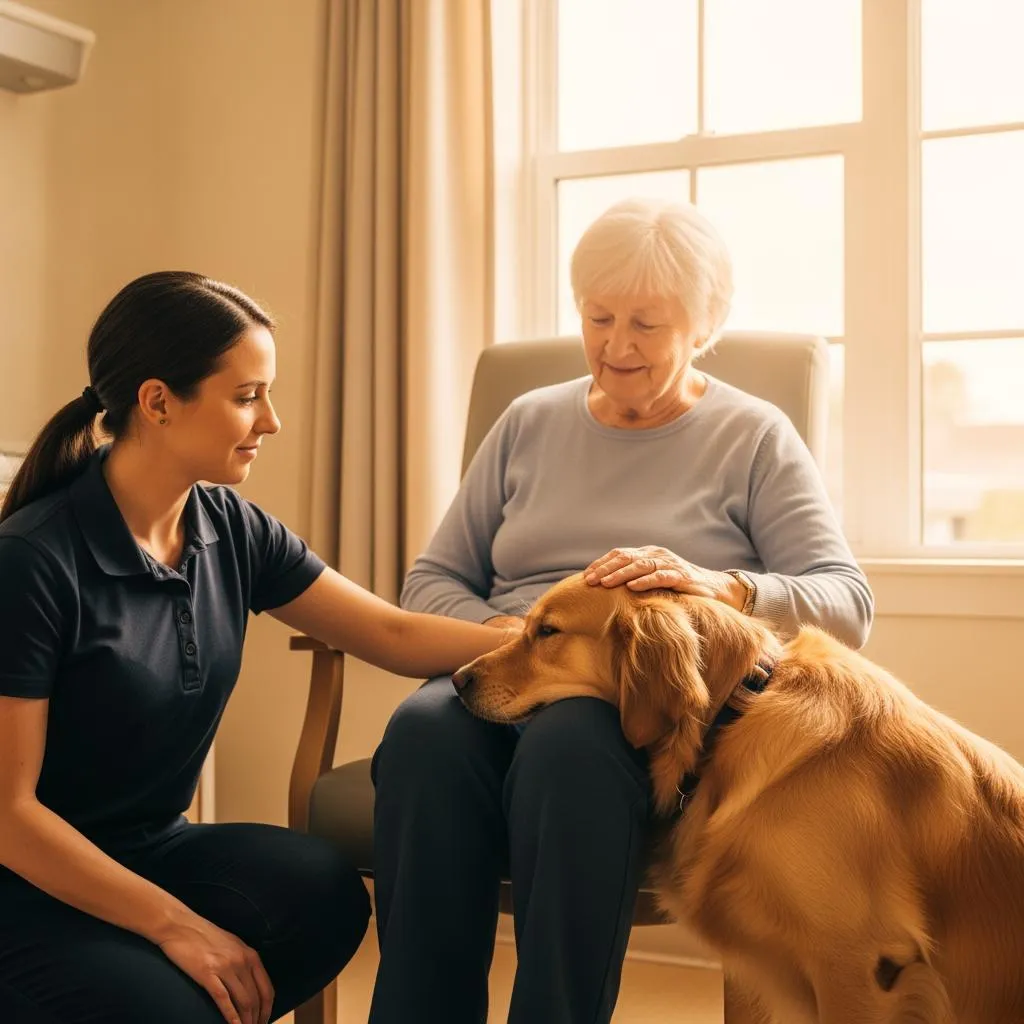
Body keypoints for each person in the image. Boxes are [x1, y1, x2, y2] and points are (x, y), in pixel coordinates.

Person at [369, 197, 875, 1023]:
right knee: (422, 733)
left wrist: (725, 585)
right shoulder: (528, 422)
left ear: (705, 326)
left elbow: (847, 601)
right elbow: (432, 581)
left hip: (641, 703)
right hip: (514, 664)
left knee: (573, 746)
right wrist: (525, 638)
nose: (615, 345)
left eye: (647, 323)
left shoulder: (753, 436)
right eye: (597, 316)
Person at [0, 271, 518, 1024]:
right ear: (156, 403)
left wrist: (542, 639)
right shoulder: (31, 561)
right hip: (25, 882)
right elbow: (9, 817)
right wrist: (175, 926)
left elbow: (391, 633)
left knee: (323, 893)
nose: (270, 420)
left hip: (149, 848)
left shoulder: (228, 524)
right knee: (169, 1006)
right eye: (247, 396)